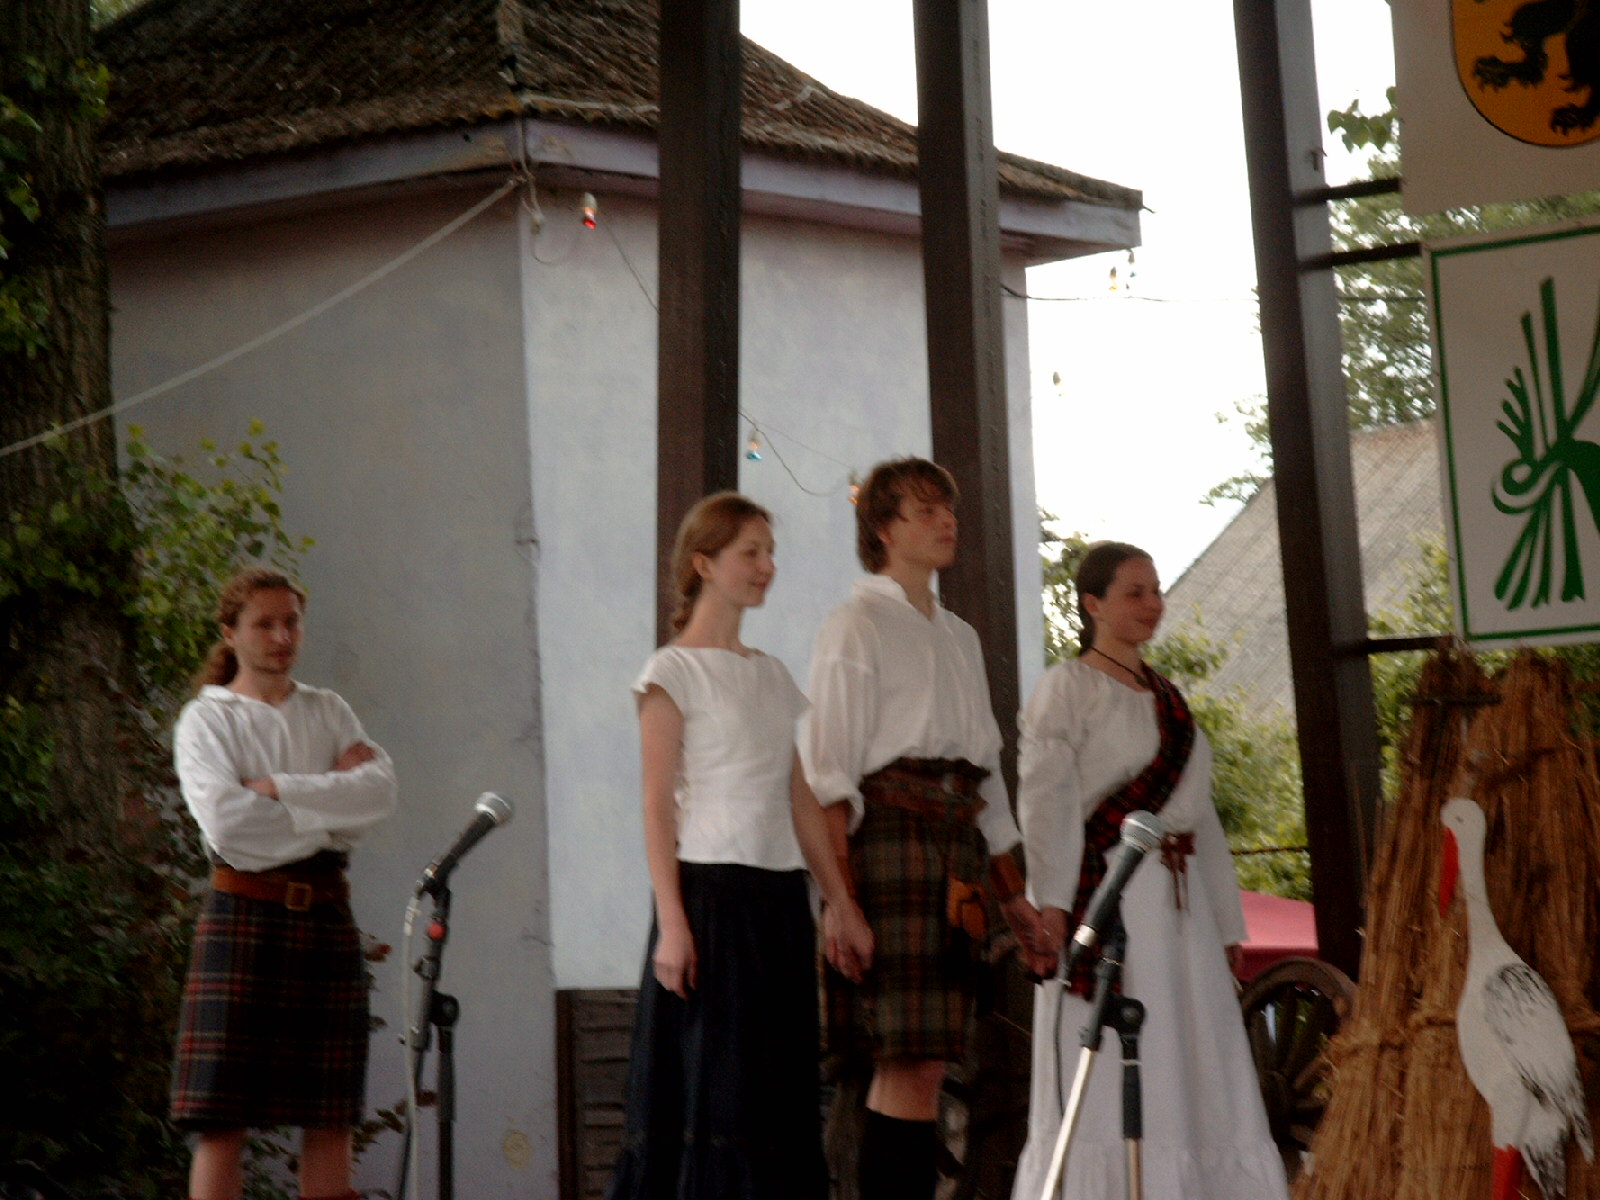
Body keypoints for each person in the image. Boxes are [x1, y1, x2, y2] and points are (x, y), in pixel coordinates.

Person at [607, 492, 874, 1200]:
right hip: (710, 900)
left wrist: (840, 902)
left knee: (777, 1092)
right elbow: (655, 804)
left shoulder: (772, 675)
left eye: (770, 552)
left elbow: (800, 800)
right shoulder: (671, 671)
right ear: (704, 564)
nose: (766, 566)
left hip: (779, 903)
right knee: (718, 1092)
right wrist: (673, 923)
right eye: (750, 552)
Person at [805, 456, 1055, 1200]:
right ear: (883, 529)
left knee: (929, 1062)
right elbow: (827, 777)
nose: (947, 521)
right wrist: (840, 902)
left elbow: (986, 779)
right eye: (925, 511)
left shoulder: (961, 637)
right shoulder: (853, 626)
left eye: (949, 509)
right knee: (906, 1062)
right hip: (889, 843)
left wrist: (1014, 897)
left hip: (957, 852)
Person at [1008, 541, 1288, 1200]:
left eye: (1156, 590)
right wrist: (1053, 904)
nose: (1152, 604)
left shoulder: (1169, 696)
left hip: (1181, 911)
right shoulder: (1067, 689)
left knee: (1193, 1053)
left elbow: (1201, 818)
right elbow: (1047, 805)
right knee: (1122, 1053)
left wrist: (1225, 922)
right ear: (1093, 604)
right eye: (1134, 592)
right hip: (1113, 897)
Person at [170, 567, 398, 1200]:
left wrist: (276, 790)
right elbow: (227, 823)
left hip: (325, 918)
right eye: (264, 623)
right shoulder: (207, 720)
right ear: (230, 632)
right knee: (221, 1119)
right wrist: (330, 805)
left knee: (329, 1114)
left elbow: (379, 794)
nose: (281, 636)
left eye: (291, 621)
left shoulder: (328, 710)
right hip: (244, 914)